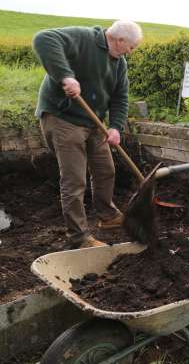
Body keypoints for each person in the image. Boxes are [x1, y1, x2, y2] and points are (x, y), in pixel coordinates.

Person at [33, 20, 143, 249]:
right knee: (74, 179)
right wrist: (66, 76)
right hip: (62, 117)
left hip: (93, 122)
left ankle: (107, 215)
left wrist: (115, 127)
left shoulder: (119, 63)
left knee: (106, 169)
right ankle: (79, 237)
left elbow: (120, 97)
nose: (130, 52)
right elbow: (43, 38)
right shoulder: (84, 38)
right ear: (119, 39)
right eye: (131, 47)